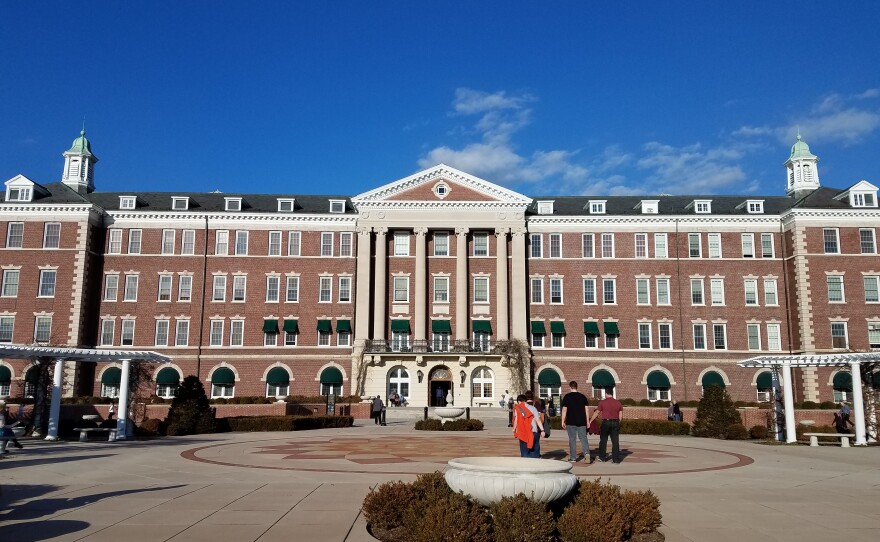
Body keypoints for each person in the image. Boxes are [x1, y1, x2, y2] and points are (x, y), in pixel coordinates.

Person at [561, 381, 590, 463]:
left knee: (572, 439)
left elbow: (564, 409)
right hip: (582, 421)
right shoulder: (583, 397)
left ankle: (573, 457)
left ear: (570, 387)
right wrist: (587, 421)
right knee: (583, 438)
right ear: (577, 387)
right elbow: (586, 409)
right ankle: (587, 453)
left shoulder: (567, 397)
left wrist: (562, 421)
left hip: (571, 421)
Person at [589, 392, 623, 463]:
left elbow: (597, 412)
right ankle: (616, 460)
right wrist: (618, 422)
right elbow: (620, 415)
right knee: (615, 442)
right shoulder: (618, 403)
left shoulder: (602, 402)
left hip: (605, 422)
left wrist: (591, 420)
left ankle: (602, 457)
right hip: (615, 422)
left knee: (603, 440)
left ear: (606, 393)